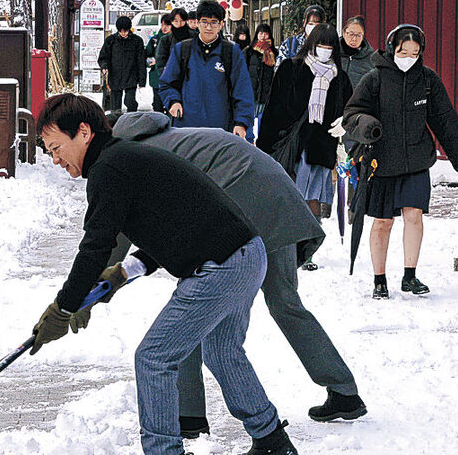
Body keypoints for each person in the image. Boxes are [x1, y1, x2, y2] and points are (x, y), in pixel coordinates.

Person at [31, 93, 299, 455]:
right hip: (245, 253)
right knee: (223, 350)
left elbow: (95, 245)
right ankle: (270, 440)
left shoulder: (110, 168)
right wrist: (122, 273)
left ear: (83, 132)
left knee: (154, 357)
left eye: (56, 149)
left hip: (223, 264)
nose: (55, 160)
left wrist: (63, 307)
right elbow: (171, 227)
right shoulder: (124, 159)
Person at [110, 111, 367, 428]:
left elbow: (115, 234)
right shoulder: (182, 138)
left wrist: (96, 286)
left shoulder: (136, 158)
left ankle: (188, 414)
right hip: (278, 202)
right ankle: (344, 392)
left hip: (241, 208)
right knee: (286, 302)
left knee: (191, 305)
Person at [342, 24, 458, 298]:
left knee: (414, 216)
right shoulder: (375, 79)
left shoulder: (427, 80)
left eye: (414, 53)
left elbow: (444, 119)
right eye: (404, 52)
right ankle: (379, 279)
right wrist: (365, 124)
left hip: (416, 160)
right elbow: (352, 113)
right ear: (392, 49)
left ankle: (410, 276)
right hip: (382, 162)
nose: (408, 58)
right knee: (383, 222)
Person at [258, 24, 353, 270]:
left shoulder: (340, 78)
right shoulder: (291, 68)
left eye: (330, 47)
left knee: (314, 198)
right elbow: (273, 107)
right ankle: (285, 247)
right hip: (291, 143)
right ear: (310, 44)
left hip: (321, 144)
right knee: (291, 196)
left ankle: (307, 250)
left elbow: (350, 110)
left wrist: (345, 124)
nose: (324, 51)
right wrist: (265, 144)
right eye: (320, 45)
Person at [157, 0, 255, 140]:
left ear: (221, 25)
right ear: (197, 23)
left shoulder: (231, 52)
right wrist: (173, 101)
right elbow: (166, 83)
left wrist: (241, 122)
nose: (209, 27)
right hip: (186, 129)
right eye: (204, 21)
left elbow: (243, 90)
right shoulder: (182, 49)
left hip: (221, 130)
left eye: (214, 22)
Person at [97, 16, 146, 113]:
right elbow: (103, 57)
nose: (123, 33)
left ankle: (131, 120)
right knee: (115, 106)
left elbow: (141, 61)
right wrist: (104, 66)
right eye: (121, 31)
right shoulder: (111, 40)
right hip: (115, 76)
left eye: (125, 31)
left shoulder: (137, 41)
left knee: (130, 102)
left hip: (131, 76)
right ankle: (115, 124)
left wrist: (142, 81)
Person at [245, 23, 277, 142]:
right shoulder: (249, 52)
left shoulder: (274, 53)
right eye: (260, 33)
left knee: (263, 120)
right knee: (249, 119)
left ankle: (261, 143)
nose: (263, 36)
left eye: (265, 33)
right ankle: (249, 141)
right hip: (251, 91)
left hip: (266, 92)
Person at [340, 16, 377, 88]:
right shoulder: (333, 53)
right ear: (344, 33)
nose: (354, 39)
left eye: (358, 35)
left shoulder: (371, 58)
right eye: (351, 34)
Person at [145, 13, 171, 113]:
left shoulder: (175, 40)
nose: (164, 28)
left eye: (167, 25)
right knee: (157, 105)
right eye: (163, 24)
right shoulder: (154, 40)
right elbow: (146, 56)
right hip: (156, 77)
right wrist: (150, 61)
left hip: (171, 78)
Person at [154, 7, 191, 75]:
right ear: (171, 22)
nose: (179, 24)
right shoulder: (165, 40)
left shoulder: (194, 37)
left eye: (182, 21)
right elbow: (160, 62)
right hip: (173, 77)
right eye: (176, 21)